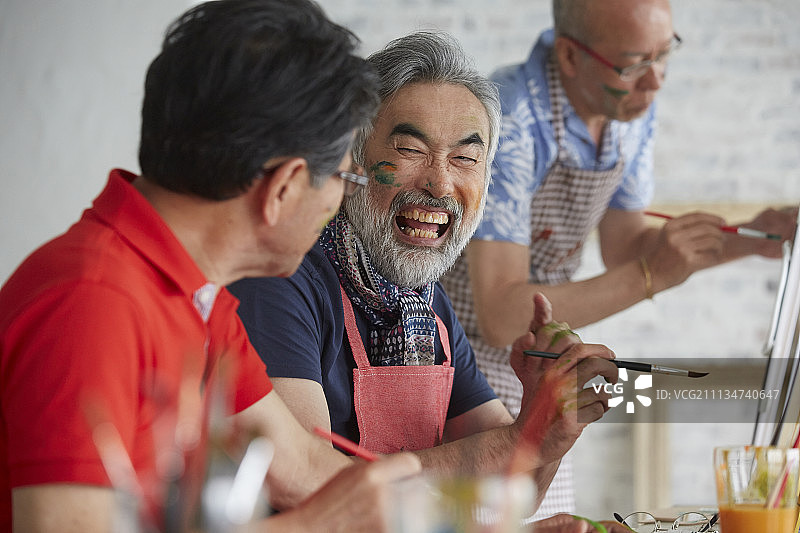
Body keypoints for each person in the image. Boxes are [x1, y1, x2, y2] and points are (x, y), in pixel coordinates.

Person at [0, 1, 426, 531]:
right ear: (286, 187)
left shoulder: (198, 293)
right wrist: (314, 525)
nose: (339, 200)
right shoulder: (93, 304)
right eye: (343, 177)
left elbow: (302, 466)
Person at [229, 31, 629, 532]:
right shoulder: (280, 281)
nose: (440, 183)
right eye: (410, 149)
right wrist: (517, 439)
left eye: (465, 159)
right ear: (351, 158)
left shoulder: (423, 302)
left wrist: (548, 415)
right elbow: (309, 489)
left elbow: (512, 492)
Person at [441, 0, 798, 518]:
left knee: (550, 518)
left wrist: (754, 238)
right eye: (633, 64)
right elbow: (499, 315)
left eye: (664, 55)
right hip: (462, 358)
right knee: (490, 518)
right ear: (569, 55)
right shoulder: (510, 120)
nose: (655, 82)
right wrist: (651, 276)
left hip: (541, 351)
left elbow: (624, 245)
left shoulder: (628, 110)